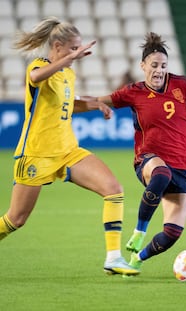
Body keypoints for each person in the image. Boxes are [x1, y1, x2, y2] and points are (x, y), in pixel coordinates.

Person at [0, 17, 139, 276]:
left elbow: (70, 105)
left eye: (78, 49)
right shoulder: (40, 65)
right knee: (16, 219)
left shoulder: (67, 73)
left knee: (113, 189)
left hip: (67, 150)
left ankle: (113, 258)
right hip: (36, 153)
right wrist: (67, 60)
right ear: (58, 47)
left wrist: (96, 104)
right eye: (73, 48)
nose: (77, 53)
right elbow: (35, 77)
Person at [94, 32, 186, 274]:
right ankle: (139, 233)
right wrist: (73, 105)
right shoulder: (133, 92)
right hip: (149, 159)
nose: (159, 70)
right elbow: (100, 100)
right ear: (143, 66)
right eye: (154, 65)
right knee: (161, 174)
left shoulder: (182, 85)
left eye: (163, 65)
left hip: (183, 166)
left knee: (172, 233)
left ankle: (136, 259)